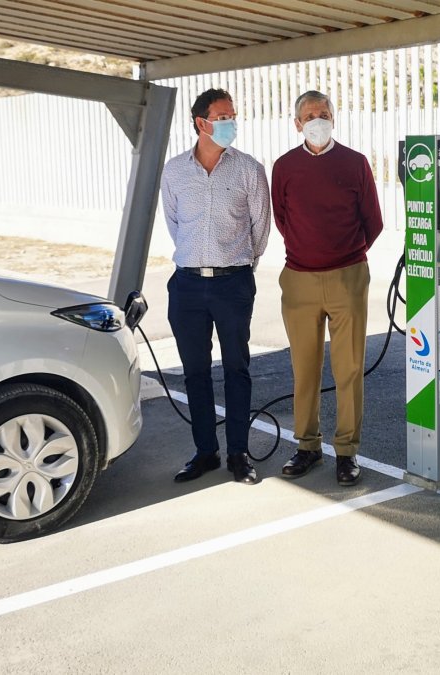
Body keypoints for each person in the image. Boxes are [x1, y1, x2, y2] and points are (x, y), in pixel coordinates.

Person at [271, 90, 383, 486]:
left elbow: (374, 221)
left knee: (349, 368)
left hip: (348, 276)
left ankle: (347, 452)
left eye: (324, 113)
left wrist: (343, 254)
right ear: (297, 123)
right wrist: (310, 252)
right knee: (304, 368)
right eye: (309, 114)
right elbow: (282, 220)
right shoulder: (284, 166)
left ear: (334, 118)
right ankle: (307, 445)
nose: (317, 119)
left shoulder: (354, 163)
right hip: (298, 278)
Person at [161, 88, 270, 486]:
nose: (230, 123)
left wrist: (239, 264)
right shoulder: (174, 171)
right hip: (187, 286)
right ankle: (205, 451)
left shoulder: (249, 169)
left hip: (233, 284)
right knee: (195, 373)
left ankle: (238, 453)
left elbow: (261, 228)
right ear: (200, 122)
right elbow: (175, 225)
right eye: (222, 117)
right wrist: (198, 258)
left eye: (232, 116)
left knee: (237, 370)